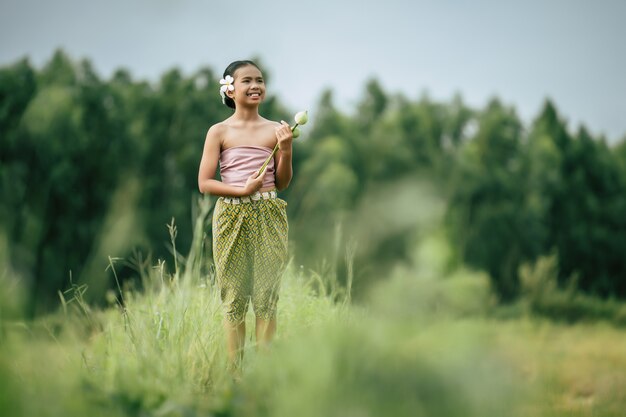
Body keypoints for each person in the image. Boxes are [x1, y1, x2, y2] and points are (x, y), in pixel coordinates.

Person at [197, 60, 293, 370]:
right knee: (234, 297)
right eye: (247, 80)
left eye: (260, 80)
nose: (256, 86)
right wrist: (241, 190)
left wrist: (286, 150)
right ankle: (235, 374)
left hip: (268, 214)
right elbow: (205, 183)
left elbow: (282, 182)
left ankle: (263, 374)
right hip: (231, 216)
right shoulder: (219, 131)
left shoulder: (275, 130)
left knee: (266, 297)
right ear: (230, 89)